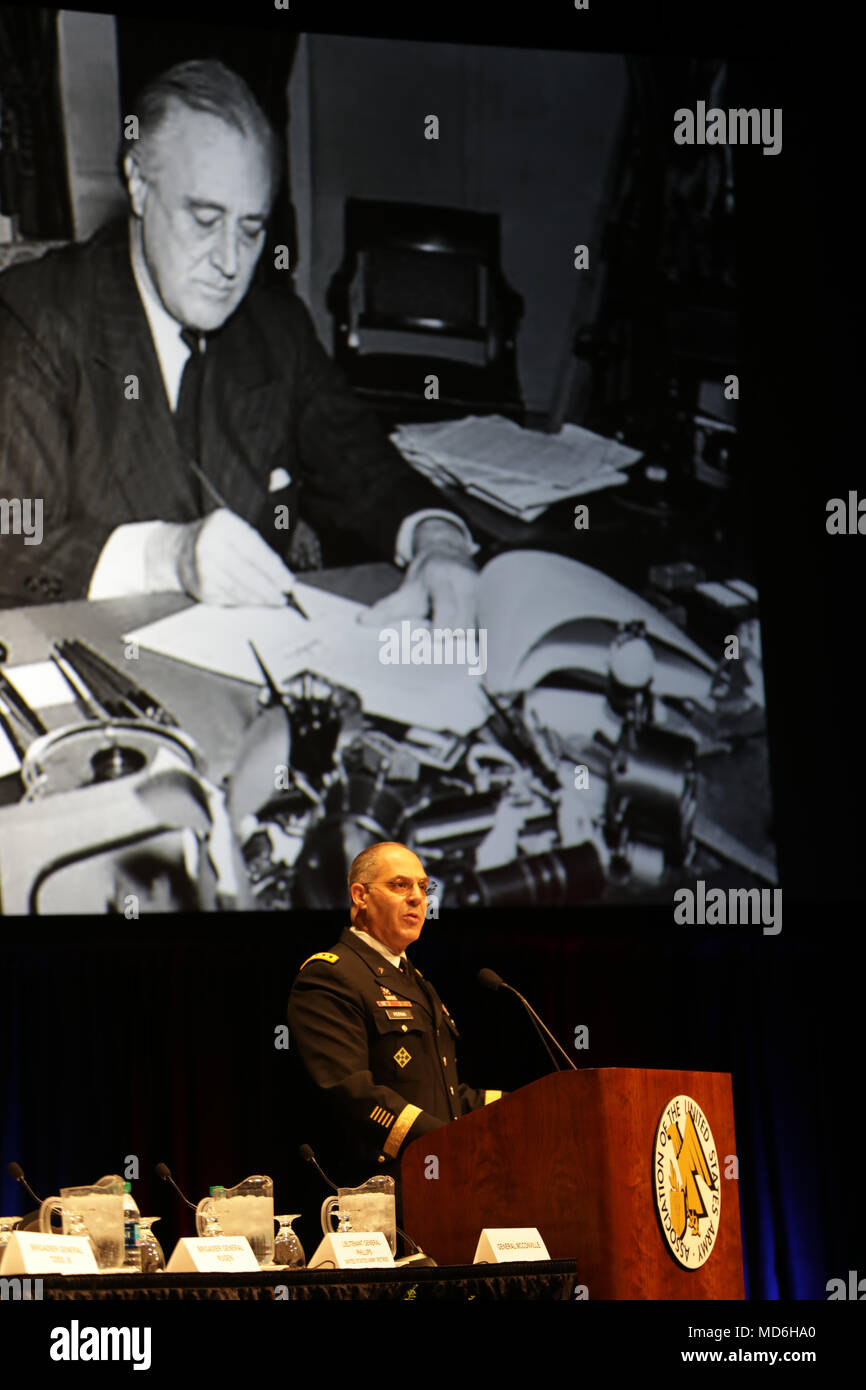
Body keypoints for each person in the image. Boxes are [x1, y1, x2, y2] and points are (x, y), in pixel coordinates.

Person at [0, 59, 479, 618]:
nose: (229, 263)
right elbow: (13, 534)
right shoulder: (35, 315)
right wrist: (169, 556)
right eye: (204, 219)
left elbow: (365, 467)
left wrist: (438, 541)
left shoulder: (277, 329)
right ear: (136, 181)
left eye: (250, 229)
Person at [287, 841, 503, 1186]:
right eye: (399, 885)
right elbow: (351, 1092)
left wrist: (520, 1106)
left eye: (422, 886)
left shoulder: (415, 981)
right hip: (380, 1191)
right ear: (360, 896)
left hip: (440, 1180)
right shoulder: (331, 975)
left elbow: (441, 1095)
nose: (418, 897)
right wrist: (449, 1142)